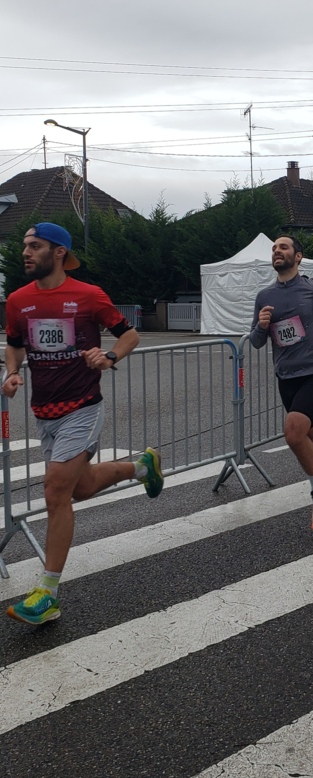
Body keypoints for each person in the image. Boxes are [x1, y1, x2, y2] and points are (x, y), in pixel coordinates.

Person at [1, 223, 163, 626]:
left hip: (83, 407)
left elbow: (129, 336)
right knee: (82, 487)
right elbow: (15, 345)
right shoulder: (18, 300)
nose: (25, 252)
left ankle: (47, 594)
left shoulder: (89, 295)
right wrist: (12, 372)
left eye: (34, 246)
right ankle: (142, 466)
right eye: (25, 246)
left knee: (56, 491)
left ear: (59, 252)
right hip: (44, 411)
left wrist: (108, 357)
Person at [250, 235, 313, 530]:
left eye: (283, 247)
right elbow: (256, 341)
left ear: (298, 256)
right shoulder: (264, 296)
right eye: (274, 248)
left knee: (294, 434)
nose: (277, 251)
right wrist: (262, 326)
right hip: (286, 378)